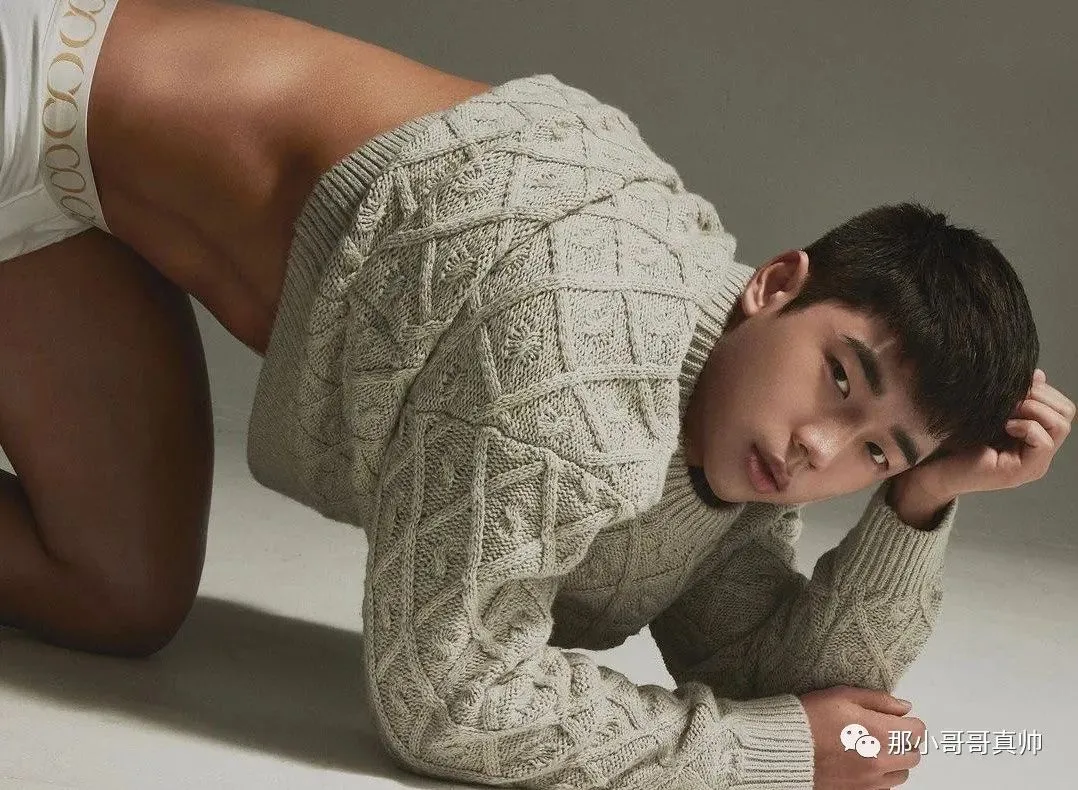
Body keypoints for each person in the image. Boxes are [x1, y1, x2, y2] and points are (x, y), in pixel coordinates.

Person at [1, 1, 1071, 788]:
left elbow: (787, 684)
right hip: (29, 86)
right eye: (839, 378)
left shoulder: (726, 440)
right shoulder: (582, 350)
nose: (816, 452)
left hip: (82, 213)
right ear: (776, 284)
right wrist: (762, 761)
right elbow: (443, 697)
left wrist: (919, 505)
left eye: (876, 452)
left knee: (119, 594)